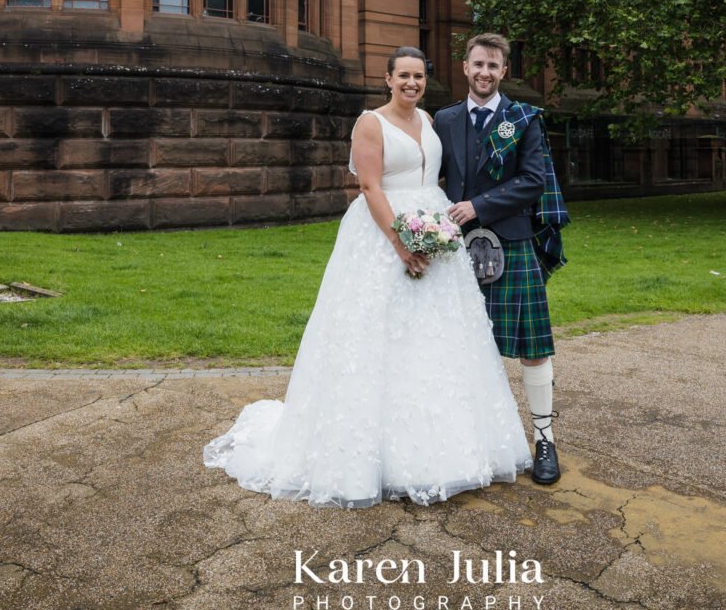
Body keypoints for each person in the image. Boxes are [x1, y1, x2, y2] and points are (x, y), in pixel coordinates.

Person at [203, 47, 533, 507]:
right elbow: (370, 186)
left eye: (419, 76)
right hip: (382, 236)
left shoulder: (431, 123)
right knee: (377, 339)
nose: (411, 84)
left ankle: (447, 449)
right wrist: (400, 242)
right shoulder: (369, 123)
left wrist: (435, 232)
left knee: (438, 342)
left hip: (436, 236)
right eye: (403, 76)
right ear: (387, 79)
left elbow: (437, 179)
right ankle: (371, 458)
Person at [436, 33, 567, 486]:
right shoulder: (445, 119)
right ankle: (472, 439)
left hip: (511, 243)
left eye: (493, 65)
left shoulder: (523, 119)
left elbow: (533, 181)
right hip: (454, 250)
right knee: (460, 347)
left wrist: (479, 206)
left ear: (504, 70)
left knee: (533, 348)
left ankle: (544, 439)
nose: (484, 73)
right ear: (465, 67)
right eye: (477, 64)